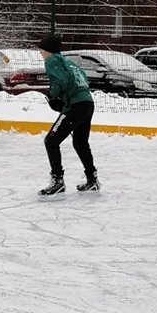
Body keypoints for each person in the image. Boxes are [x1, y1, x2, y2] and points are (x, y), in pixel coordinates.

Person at [37, 34, 99, 200]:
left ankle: (58, 182)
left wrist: (53, 95)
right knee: (80, 142)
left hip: (76, 105)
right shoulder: (70, 63)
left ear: (48, 50)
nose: (40, 53)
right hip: (87, 102)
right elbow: (82, 80)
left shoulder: (52, 60)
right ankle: (92, 179)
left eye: (41, 49)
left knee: (51, 141)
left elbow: (61, 80)